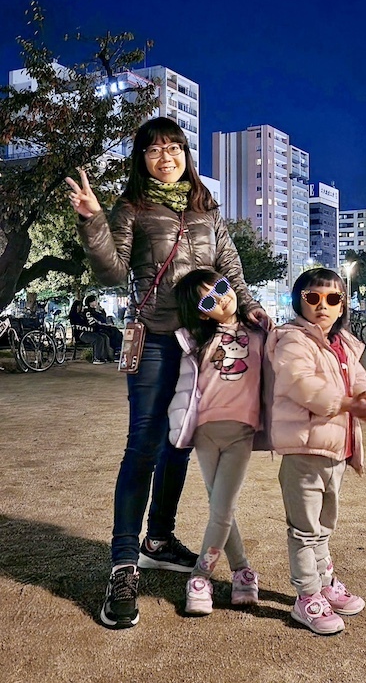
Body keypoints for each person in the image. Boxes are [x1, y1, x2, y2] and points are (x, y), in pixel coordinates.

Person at [66, 116, 268, 630]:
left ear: (185, 154)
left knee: (181, 441)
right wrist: (92, 220)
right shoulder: (132, 206)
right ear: (142, 158)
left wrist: (248, 307)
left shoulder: (206, 208)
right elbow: (111, 271)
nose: (166, 157)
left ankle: (159, 537)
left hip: (202, 341)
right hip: (157, 339)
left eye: (174, 148)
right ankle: (123, 563)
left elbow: (229, 267)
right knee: (143, 443)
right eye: (154, 150)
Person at [266, 268, 366, 636]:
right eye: (313, 298)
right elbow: (299, 382)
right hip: (305, 448)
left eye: (333, 299)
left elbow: (358, 380)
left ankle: (325, 582)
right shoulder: (293, 339)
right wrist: (345, 403)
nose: (323, 305)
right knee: (305, 529)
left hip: (336, 449)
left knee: (325, 525)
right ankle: (306, 596)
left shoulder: (344, 344)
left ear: (343, 306)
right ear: (299, 302)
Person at [168, 268, 269, 615]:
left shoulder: (259, 332)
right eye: (210, 299)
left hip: (241, 432)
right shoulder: (195, 341)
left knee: (221, 510)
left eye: (222, 288)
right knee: (220, 510)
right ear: (201, 312)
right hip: (205, 434)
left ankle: (201, 576)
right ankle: (242, 571)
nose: (223, 297)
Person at [68, 300, 113, 364]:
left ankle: (104, 357)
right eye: (79, 306)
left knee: (105, 337)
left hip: (89, 331)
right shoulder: (73, 315)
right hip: (81, 334)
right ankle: (97, 358)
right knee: (98, 339)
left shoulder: (83, 314)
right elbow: (77, 326)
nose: (80, 308)